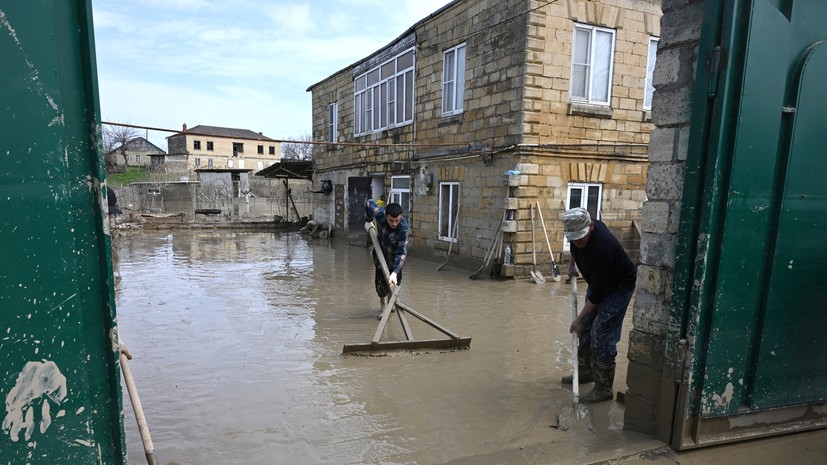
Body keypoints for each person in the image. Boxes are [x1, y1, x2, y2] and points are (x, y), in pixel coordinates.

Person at [562, 207, 636, 403]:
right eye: (573, 238)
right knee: (585, 329)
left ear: (592, 227)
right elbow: (575, 245)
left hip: (617, 287)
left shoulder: (603, 247)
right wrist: (572, 265)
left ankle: (603, 388)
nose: (578, 242)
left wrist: (579, 318)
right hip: (598, 283)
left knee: (601, 334)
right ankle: (585, 372)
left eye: (581, 237)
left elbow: (598, 295)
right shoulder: (578, 228)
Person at [365, 199, 409, 311]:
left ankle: (391, 304)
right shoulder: (380, 215)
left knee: (394, 284)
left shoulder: (403, 229)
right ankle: (383, 307)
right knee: (381, 288)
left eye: (397, 220)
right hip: (380, 256)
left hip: (395, 260)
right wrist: (368, 219)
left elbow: (402, 253)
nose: (394, 223)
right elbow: (369, 203)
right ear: (386, 216)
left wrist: (394, 272)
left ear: (401, 217)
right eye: (391, 220)